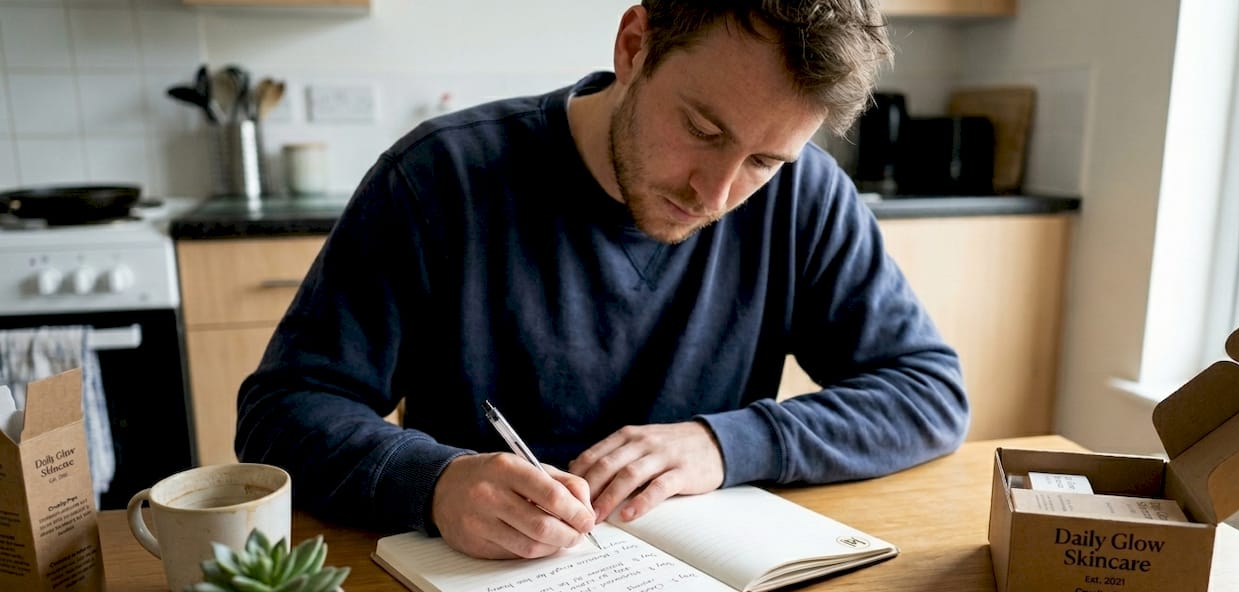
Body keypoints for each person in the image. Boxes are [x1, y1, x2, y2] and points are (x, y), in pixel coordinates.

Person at [236, 0, 970, 560]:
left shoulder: (805, 194)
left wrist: (727, 444)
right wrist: (433, 483)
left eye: (762, 161)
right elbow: (282, 411)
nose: (714, 196)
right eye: (704, 131)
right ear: (634, 45)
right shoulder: (440, 178)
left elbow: (928, 393)